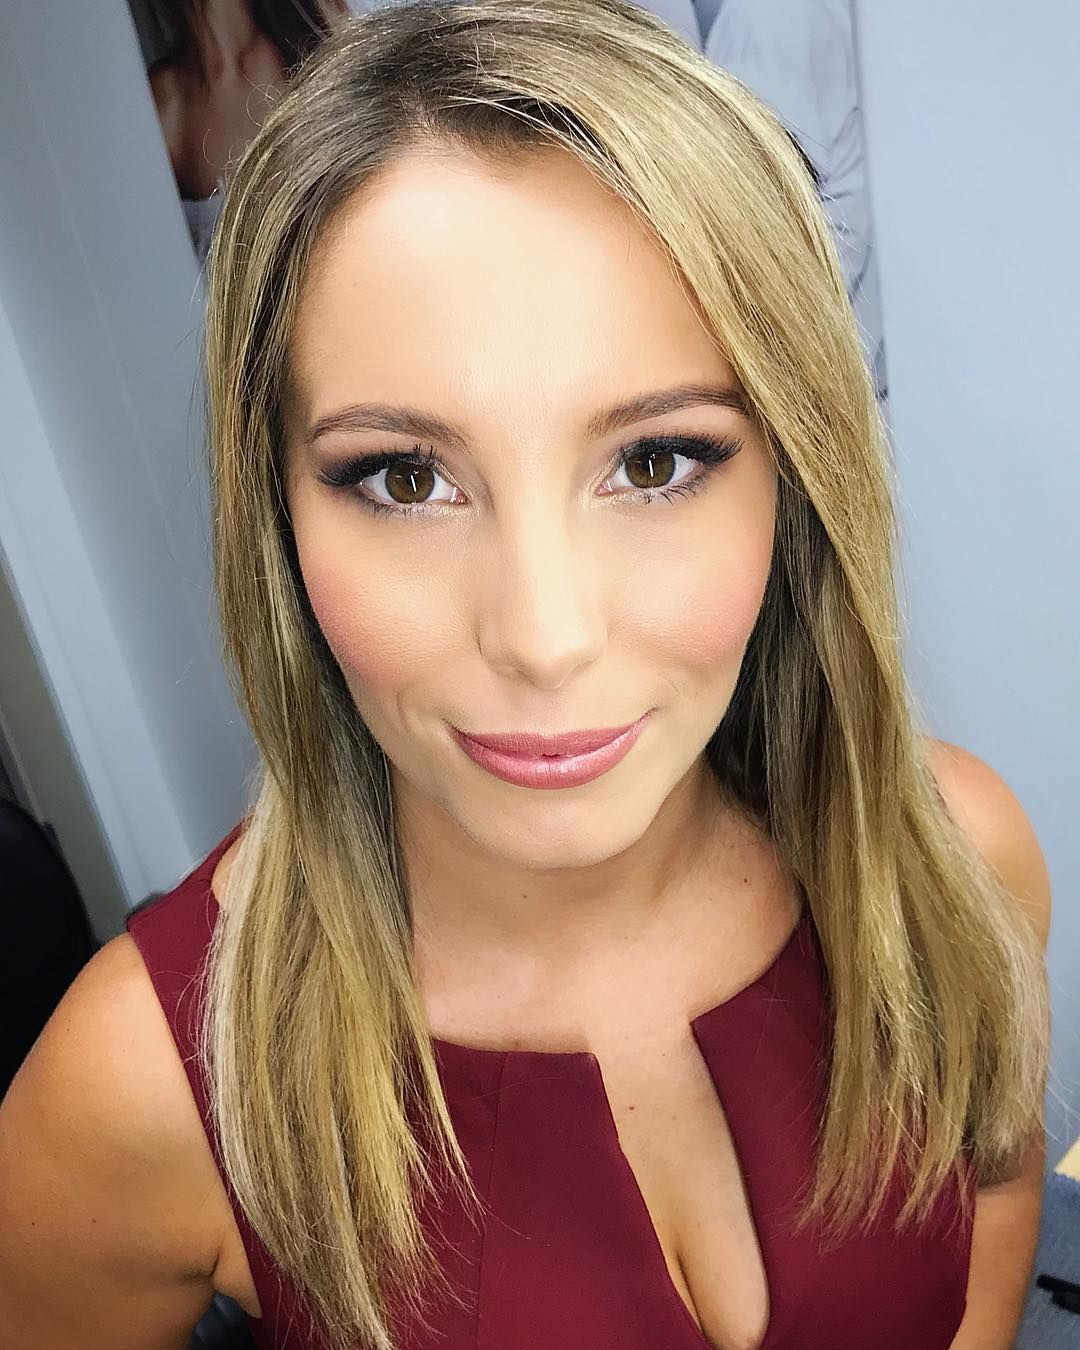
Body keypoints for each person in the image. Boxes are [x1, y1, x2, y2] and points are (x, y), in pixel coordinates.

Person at [0, 1, 1051, 1347]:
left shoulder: (952, 858)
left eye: (656, 461)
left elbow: (999, 1183)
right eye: (404, 478)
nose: (545, 638)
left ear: (794, 476)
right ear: (278, 518)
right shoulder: (141, 1084)